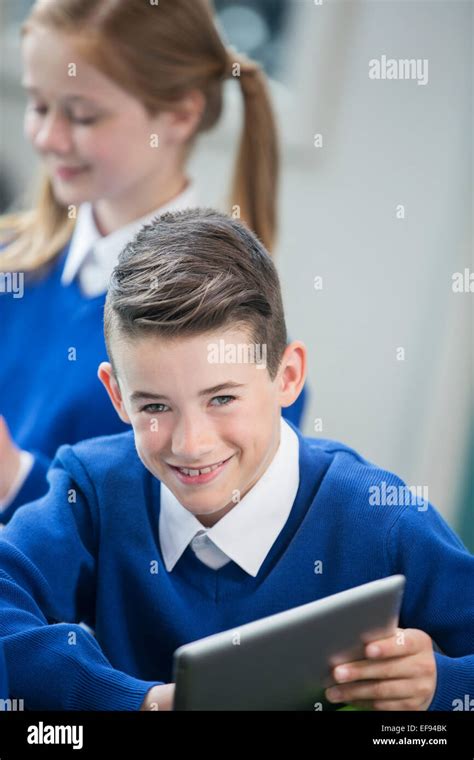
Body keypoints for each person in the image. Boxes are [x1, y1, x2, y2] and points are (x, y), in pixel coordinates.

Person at [0, 208, 472, 711]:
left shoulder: (382, 518)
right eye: (155, 406)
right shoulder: (93, 490)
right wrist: (142, 704)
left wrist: (439, 685)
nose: (191, 443)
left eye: (222, 399)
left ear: (287, 376)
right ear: (117, 396)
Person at [0, 0, 306, 523]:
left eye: (82, 114)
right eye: (38, 105)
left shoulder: (233, 329)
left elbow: (191, 553)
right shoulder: (12, 267)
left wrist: (16, 480)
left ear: (181, 115)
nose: (48, 138)